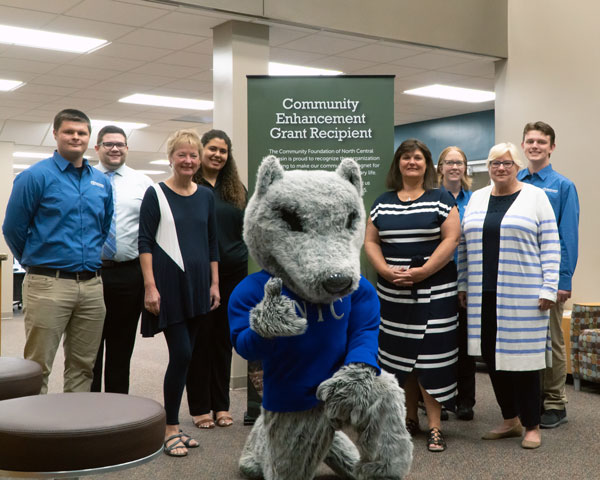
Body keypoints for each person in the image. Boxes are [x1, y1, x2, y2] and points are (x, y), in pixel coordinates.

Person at [457, 142, 560, 450]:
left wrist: (549, 287)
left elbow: (551, 244)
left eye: (506, 163)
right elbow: (463, 246)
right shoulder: (477, 198)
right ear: (487, 168)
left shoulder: (535, 197)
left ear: (517, 167)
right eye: (493, 163)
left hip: (524, 294)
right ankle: (510, 418)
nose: (500, 168)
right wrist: (462, 283)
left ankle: (531, 424)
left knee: (525, 362)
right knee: (491, 356)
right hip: (482, 293)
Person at [2, 108, 113, 393]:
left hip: (91, 286)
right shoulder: (34, 177)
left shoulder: (100, 181)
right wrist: (35, 262)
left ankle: (73, 431)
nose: (75, 137)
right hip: (47, 284)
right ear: (55, 134)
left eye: (82, 133)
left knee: (83, 366)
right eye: (69, 132)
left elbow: (103, 226)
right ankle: (35, 433)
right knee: (37, 367)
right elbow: (13, 228)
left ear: (89, 138)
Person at [365, 138, 460, 453]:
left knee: (430, 356)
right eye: (406, 158)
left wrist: (423, 272)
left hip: (435, 292)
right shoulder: (382, 202)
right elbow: (371, 242)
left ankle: (435, 426)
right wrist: (385, 270)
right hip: (394, 295)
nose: (411, 162)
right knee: (399, 354)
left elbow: (451, 239)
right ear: (398, 165)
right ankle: (409, 418)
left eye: (417, 157)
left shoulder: (441, 198)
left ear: (427, 164)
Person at [138, 129, 220, 458]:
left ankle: (174, 424)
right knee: (182, 354)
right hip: (169, 286)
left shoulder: (206, 196)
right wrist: (150, 286)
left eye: (193, 155)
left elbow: (212, 242)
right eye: (181, 154)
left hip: (200, 285)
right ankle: (170, 427)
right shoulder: (155, 193)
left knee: (190, 355)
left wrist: (215, 284)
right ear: (171, 158)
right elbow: (144, 242)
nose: (188, 160)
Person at [518, 121, 579, 429]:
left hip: (549, 278)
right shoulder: (514, 180)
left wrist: (562, 281)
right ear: (523, 145)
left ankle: (555, 403)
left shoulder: (562, 186)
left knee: (552, 341)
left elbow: (567, 236)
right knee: (524, 341)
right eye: (530, 140)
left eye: (541, 141)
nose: (535, 146)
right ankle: (532, 398)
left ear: (551, 147)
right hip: (517, 278)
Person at [186, 129, 247, 429]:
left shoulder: (236, 189)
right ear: (201, 150)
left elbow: (247, 229)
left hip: (233, 274)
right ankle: (199, 407)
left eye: (223, 151)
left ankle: (221, 405)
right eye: (212, 149)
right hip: (197, 275)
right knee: (199, 341)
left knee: (224, 341)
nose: (217, 155)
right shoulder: (188, 185)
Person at [91, 125, 154, 394]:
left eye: (119, 144)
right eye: (108, 144)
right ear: (97, 148)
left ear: (127, 148)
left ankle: (117, 409)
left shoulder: (143, 182)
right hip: (89, 274)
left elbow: (153, 231)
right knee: (88, 348)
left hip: (129, 274)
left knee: (121, 346)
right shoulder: (83, 177)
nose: (114, 148)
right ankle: (85, 409)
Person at [437, 146, 475, 421]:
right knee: (438, 342)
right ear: (440, 167)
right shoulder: (430, 198)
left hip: (468, 280)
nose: (454, 167)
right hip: (437, 277)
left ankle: (465, 400)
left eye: (459, 162)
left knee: (465, 343)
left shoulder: (476, 201)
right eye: (449, 162)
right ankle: (439, 399)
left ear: (465, 168)